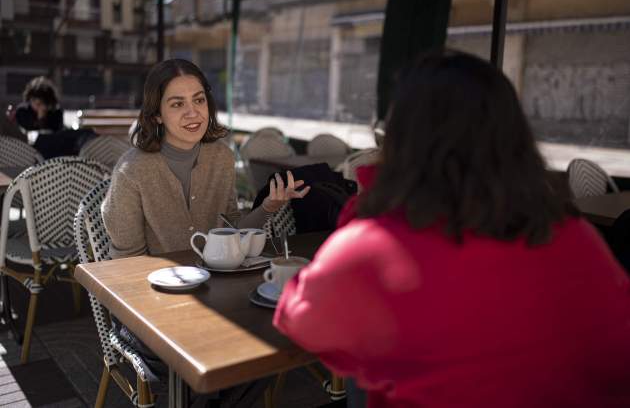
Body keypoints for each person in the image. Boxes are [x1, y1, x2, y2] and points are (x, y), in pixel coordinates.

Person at [273, 50, 630, 407]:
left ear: (402, 141)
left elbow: (296, 317)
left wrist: (373, 198)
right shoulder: (577, 237)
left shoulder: (376, 247)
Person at [102, 58, 309, 405]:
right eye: (177, 103)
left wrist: (268, 207)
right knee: (210, 373)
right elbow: (124, 268)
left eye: (199, 100)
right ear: (156, 115)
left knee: (270, 344)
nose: (192, 112)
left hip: (215, 299)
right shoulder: (132, 171)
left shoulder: (221, 158)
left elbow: (229, 233)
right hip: (150, 312)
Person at [13, 76, 96, 158]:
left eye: (41, 102)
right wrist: (40, 117)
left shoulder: (56, 113)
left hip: (54, 148)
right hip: (33, 149)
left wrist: (43, 115)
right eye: (34, 101)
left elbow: (57, 131)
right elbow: (27, 130)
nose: (37, 104)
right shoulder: (23, 111)